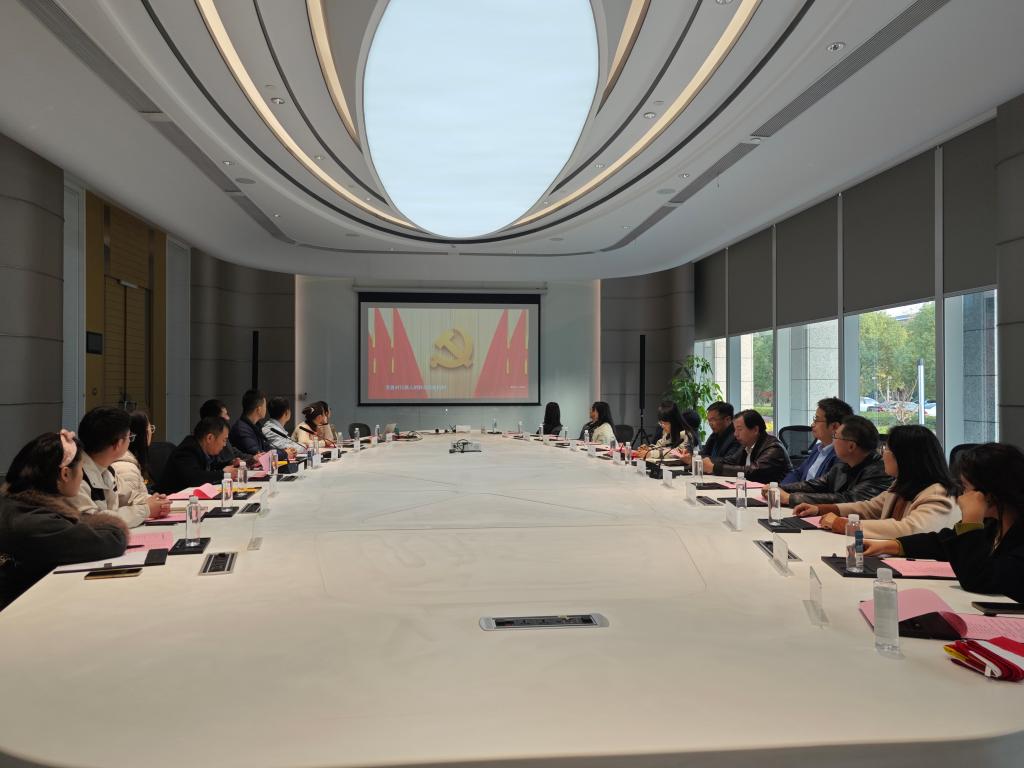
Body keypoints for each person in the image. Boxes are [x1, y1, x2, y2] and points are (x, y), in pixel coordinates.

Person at [864, 443, 1024, 601]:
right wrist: (889, 545)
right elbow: (942, 543)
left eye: (965, 487)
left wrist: (971, 521)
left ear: (989, 493)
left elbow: (979, 579)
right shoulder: (993, 523)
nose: (962, 494)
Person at [0, 430, 128, 610]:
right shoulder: (35, 524)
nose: (82, 476)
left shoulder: (17, 506)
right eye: (81, 469)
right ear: (65, 474)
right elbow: (113, 538)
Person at [792, 424, 957, 538]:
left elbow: (909, 529)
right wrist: (819, 509)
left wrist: (845, 525)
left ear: (905, 457)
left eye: (887, 449)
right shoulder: (903, 485)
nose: (882, 454)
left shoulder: (938, 494)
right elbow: (870, 508)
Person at [72, 407, 164, 528]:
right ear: (118, 444)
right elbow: (95, 521)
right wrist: (145, 510)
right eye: (129, 437)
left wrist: (154, 501)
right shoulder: (76, 477)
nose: (130, 441)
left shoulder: (106, 469)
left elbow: (128, 496)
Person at [774, 415, 891, 506]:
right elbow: (815, 485)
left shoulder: (879, 472)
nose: (833, 441)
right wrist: (778, 488)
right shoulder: (843, 465)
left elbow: (847, 500)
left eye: (835, 436)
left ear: (851, 446)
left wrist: (790, 498)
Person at [112, 411, 171, 522]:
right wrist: (149, 508)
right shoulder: (126, 468)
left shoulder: (129, 463)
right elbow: (126, 505)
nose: (151, 433)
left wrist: (155, 501)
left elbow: (133, 498)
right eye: (150, 429)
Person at [703, 409, 792, 483]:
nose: (735, 434)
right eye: (735, 430)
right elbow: (731, 461)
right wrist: (704, 461)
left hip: (775, 496)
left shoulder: (773, 448)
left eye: (739, 429)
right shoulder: (747, 445)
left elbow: (753, 472)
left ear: (755, 430)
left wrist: (714, 468)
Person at [780, 397, 853, 485]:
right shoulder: (817, 447)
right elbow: (798, 473)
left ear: (834, 426)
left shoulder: (841, 456)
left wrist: (787, 492)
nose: (812, 425)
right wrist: (780, 488)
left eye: (817, 420)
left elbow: (823, 488)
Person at [156, 417, 237, 494]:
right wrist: (224, 473)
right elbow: (195, 478)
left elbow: (211, 467)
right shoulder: (187, 450)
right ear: (210, 438)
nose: (224, 445)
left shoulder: (203, 449)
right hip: (173, 500)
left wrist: (230, 463)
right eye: (224, 440)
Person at [200, 399, 252, 466]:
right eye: (225, 415)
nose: (228, 418)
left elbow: (233, 452)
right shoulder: (194, 451)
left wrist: (251, 459)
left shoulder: (220, 436)